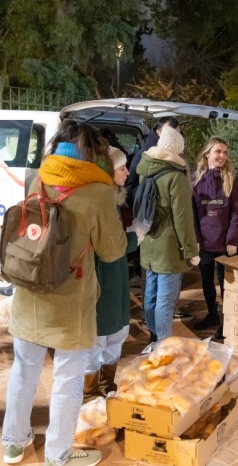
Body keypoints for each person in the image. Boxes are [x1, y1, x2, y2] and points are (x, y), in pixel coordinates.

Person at [2, 120, 127, 466]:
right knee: (68, 377)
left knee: (23, 369)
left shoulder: (38, 178)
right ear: (93, 152)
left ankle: (14, 442)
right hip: (71, 301)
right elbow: (113, 251)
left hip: (30, 290)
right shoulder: (99, 192)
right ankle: (58, 455)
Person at [83, 147, 139, 402]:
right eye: (122, 168)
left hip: (114, 277)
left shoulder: (111, 198)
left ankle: (106, 384)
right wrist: (134, 238)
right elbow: (109, 244)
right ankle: (90, 393)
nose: (127, 172)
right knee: (99, 335)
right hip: (102, 278)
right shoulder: (99, 201)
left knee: (115, 331)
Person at [136, 125, 199, 350]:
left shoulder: (146, 169)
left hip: (149, 241)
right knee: (166, 299)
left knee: (151, 293)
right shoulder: (176, 177)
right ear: (177, 149)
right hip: (169, 247)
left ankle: (154, 338)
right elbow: (183, 219)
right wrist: (191, 251)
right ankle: (164, 345)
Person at [191, 138, 238, 331]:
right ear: (207, 154)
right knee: (207, 282)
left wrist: (232, 240)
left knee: (226, 284)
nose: (222, 156)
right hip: (204, 244)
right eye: (218, 152)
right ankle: (212, 316)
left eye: (225, 152)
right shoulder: (195, 180)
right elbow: (191, 213)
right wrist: (195, 240)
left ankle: (226, 323)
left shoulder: (231, 180)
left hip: (224, 245)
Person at [125, 117, 180, 207]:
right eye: (170, 134)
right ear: (158, 133)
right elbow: (130, 188)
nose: (175, 139)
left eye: (178, 135)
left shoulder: (175, 153)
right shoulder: (144, 155)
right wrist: (153, 194)